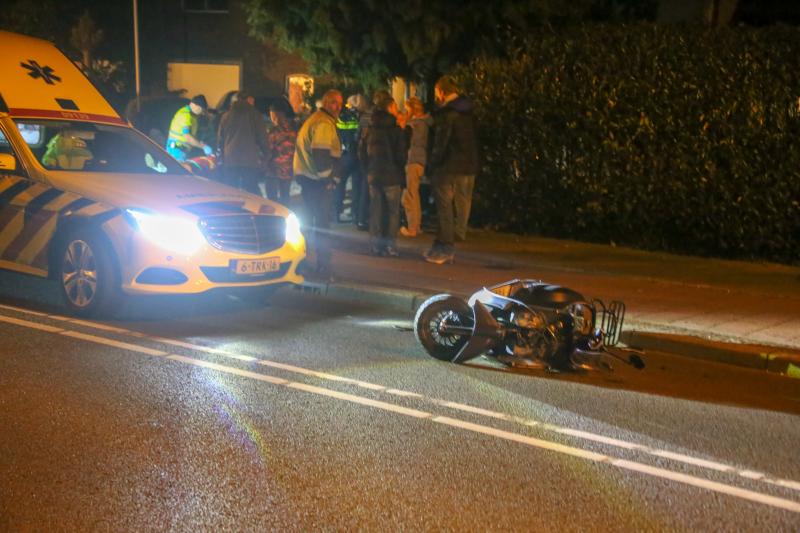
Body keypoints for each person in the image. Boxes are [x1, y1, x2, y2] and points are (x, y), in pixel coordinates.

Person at [425, 76, 478, 264]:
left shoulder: (447, 114)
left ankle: (445, 249)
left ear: (440, 91)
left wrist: (430, 166)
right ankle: (441, 246)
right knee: (457, 205)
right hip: (466, 166)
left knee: (444, 209)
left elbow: (440, 144)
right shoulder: (466, 112)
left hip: (447, 167)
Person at [293, 89, 343, 278]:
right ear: (325, 102)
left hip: (307, 179)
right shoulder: (324, 123)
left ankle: (302, 262)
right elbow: (320, 153)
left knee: (306, 222)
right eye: (333, 102)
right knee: (322, 224)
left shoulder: (316, 119)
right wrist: (328, 180)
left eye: (339, 103)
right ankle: (323, 264)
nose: (337, 106)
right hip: (317, 181)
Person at [358, 90, 406, 258]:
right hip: (392, 176)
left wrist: (368, 169)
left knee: (375, 210)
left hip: (374, 175)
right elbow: (402, 156)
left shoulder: (369, 129)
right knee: (393, 212)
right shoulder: (396, 130)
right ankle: (390, 247)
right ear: (389, 107)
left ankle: (375, 246)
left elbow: (362, 153)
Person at [217, 89, 271, 197]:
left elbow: (220, 139)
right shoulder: (256, 116)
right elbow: (262, 138)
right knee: (251, 191)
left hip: (230, 160)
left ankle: (233, 212)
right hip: (249, 160)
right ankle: (249, 212)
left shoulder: (226, 116)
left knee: (231, 191)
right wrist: (266, 153)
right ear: (250, 100)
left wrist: (222, 154)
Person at [399, 96, 433, 237]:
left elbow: (412, 142)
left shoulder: (417, 125)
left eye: (408, 110)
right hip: (422, 161)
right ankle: (417, 225)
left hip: (413, 161)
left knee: (409, 194)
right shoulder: (427, 122)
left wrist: (405, 128)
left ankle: (412, 227)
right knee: (415, 194)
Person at [332, 94, 361, 222]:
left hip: (345, 155)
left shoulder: (341, 117)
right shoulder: (361, 116)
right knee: (357, 186)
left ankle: (336, 213)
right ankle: (355, 214)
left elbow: (336, 132)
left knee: (340, 184)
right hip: (358, 154)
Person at [264, 102, 299, 207]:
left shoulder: (272, 131)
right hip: (288, 169)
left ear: (274, 115)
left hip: (273, 170)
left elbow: (267, 151)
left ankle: (274, 221)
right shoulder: (294, 130)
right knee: (285, 197)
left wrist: (261, 165)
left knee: (272, 199)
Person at [166, 95, 213, 162]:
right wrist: (203, 146)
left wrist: (200, 143)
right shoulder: (185, 115)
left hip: (181, 151)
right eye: (202, 109)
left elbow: (192, 135)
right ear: (195, 105)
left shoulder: (192, 116)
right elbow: (187, 138)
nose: (202, 113)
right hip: (176, 152)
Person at [355, 95, 374, 231]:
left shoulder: (364, 117)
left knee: (363, 187)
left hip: (362, 155)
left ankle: (360, 218)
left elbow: (357, 136)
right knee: (367, 187)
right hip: (371, 156)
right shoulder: (377, 116)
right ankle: (364, 218)